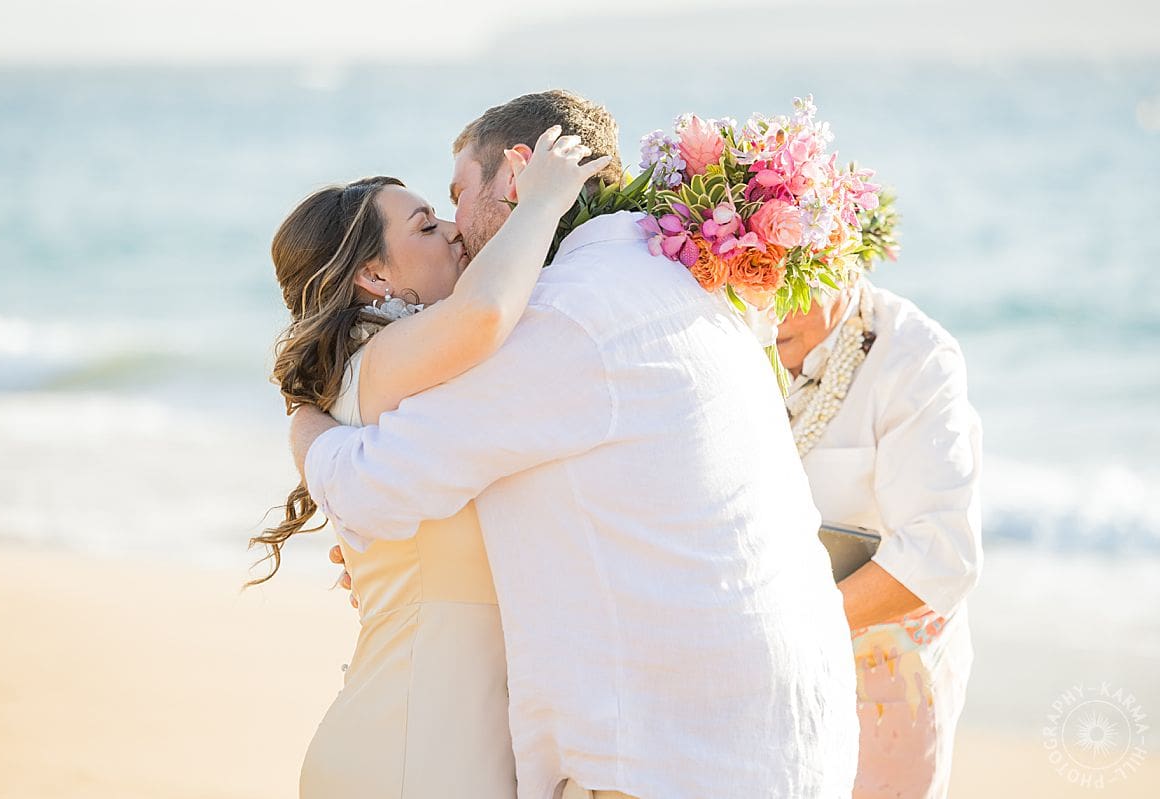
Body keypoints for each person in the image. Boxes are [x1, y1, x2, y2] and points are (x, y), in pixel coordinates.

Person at [291, 90, 859, 799]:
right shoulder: (693, 293)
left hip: (670, 761)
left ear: (520, 177)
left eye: (458, 196)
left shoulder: (560, 318)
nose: (456, 229)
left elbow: (372, 488)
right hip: (798, 743)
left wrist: (302, 424)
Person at [256, 125, 611, 798]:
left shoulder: (394, 382)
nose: (452, 229)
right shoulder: (382, 363)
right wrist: (540, 203)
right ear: (373, 274)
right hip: (413, 752)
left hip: (423, 740)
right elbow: (483, 314)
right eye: (424, 226)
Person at [775, 277, 982, 798]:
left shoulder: (915, 357)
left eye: (788, 281)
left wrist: (780, 636)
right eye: (753, 276)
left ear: (839, 263)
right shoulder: (738, 336)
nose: (770, 310)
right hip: (765, 677)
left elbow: (941, 556)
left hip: (890, 677)